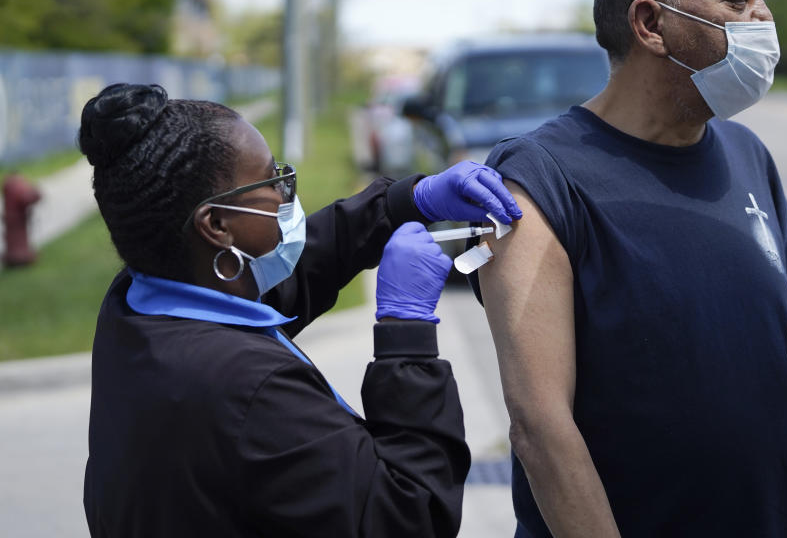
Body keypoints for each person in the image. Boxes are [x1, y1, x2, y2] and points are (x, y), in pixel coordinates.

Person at [472, 0, 787, 537]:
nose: (763, 17)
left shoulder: (747, 154)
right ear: (651, 24)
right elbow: (539, 425)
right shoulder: (539, 179)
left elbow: (761, 341)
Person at [79, 83, 521, 537]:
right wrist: (405, 330)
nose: (286, 193)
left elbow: (283, 278)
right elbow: (410, 516)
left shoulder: (137, 302)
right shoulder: (250, 387)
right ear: (216, 225)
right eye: (273, 182)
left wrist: (407, 201)